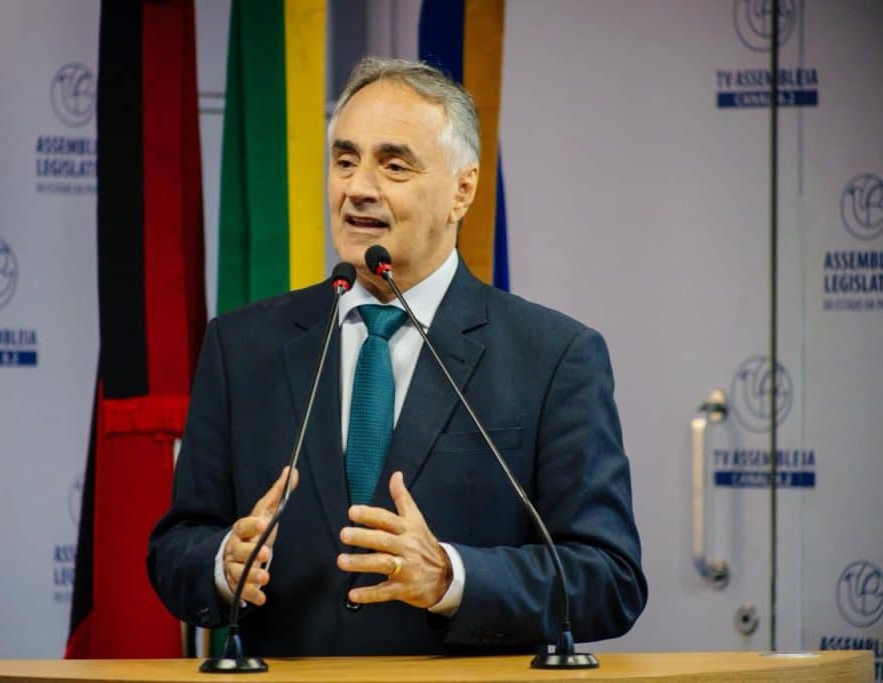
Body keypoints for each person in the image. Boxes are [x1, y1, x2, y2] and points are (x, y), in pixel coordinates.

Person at [147, 57, 646, 656]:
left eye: (393, 165)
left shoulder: (553, 358)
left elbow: (609, 577)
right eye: (345, 160)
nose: (358, 187)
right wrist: (222, 563)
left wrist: (451, 577)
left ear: (462, 190)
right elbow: (176, 546)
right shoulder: (242, 347)